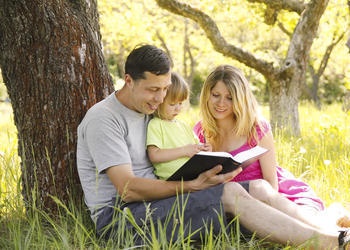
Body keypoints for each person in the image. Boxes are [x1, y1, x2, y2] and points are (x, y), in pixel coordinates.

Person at [76, 44, 349, 248]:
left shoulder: (150, 109)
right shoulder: (104, 119)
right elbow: (128, 189)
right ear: (129, 80)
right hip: (122, 220)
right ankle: (329, 245)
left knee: (259, 187)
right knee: (229, 193)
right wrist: (191, 186)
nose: (160, 98)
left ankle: (334, 232)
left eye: (164, 89)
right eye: (152, 90)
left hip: (160, 202)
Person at [194, 64, 350, 231]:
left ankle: (335, 214)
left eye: (230, 98)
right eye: (216, 95)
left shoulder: (257, 129)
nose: (221, 103)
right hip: (235, 204)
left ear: (240, 99)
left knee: (308, 226)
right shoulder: (200, 132)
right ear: (207, 96)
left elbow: (271, 185)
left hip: (279, 198)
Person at [146, 72, 211, 180]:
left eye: (180, 103)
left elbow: (195, 148)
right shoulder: (156, 124)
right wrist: (184, 151)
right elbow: (154, 155)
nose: (178, 108)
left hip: (193, 176)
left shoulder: (184, 126)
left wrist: (205, 149)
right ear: (159, 101)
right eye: (172, 104)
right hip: (173, 182)